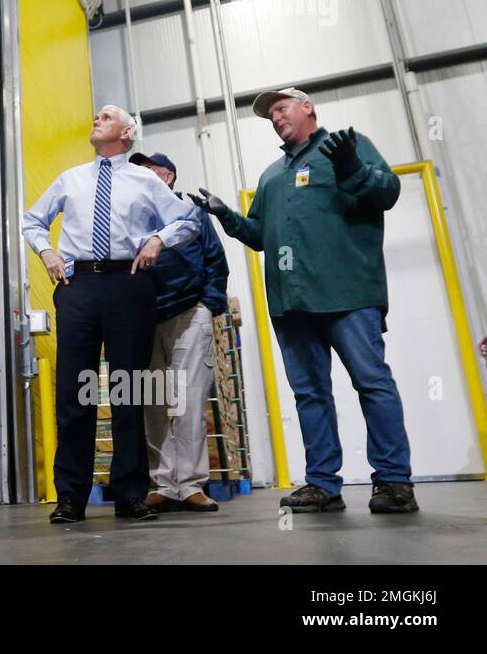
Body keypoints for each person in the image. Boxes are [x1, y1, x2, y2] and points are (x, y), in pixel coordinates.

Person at [190, 87, 417, 514]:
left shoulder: (349, 147)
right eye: (269, 114)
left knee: (372, 383)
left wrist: (352, 168)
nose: (275, 117)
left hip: (349, 293)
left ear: (307, 107)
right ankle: (321, 484)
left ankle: (392, 481)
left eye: (281, 107)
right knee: (310, 394)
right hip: (291, 302)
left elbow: (386, 193)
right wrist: (226, 217)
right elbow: (259, 234)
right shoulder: (273, 176)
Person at [22, 107, 201, 524]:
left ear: (126, 132)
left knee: (129, 392)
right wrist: (47, 251)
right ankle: (71, 497)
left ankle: (129, 494)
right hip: (78, 287)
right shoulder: (72, 179)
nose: (96, 118)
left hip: (129, 284)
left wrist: (158, 237)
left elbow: (189, 220)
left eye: (106, 116)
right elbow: (33, 220)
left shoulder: (145, 180)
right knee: (73, 394)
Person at [129, 151, 228, 514]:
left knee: (188, 400)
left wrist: (208, 305)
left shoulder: (190, 211)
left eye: (148, 171)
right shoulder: (131, 217)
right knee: (152, 403)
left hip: (190, 313)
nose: (138, 177)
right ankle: (163, 484)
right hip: (143, 319)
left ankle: (191, 485)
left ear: (168, 177)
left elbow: (216, 261)